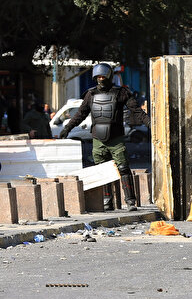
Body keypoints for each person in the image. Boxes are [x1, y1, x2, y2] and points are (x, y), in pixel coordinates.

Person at [59, 63, 150, 210]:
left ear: (109, 77)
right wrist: (67, 128)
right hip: (98, 140)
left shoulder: (121, 93)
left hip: (116, 139)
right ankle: (107, 201)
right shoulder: (90, 94)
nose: (100, 79)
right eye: (98, 77)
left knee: (123, 168)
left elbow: (137, 111)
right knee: (102, 171)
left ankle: (130, 201)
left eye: (103, 76)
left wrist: (149, 123)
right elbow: (80, 114)